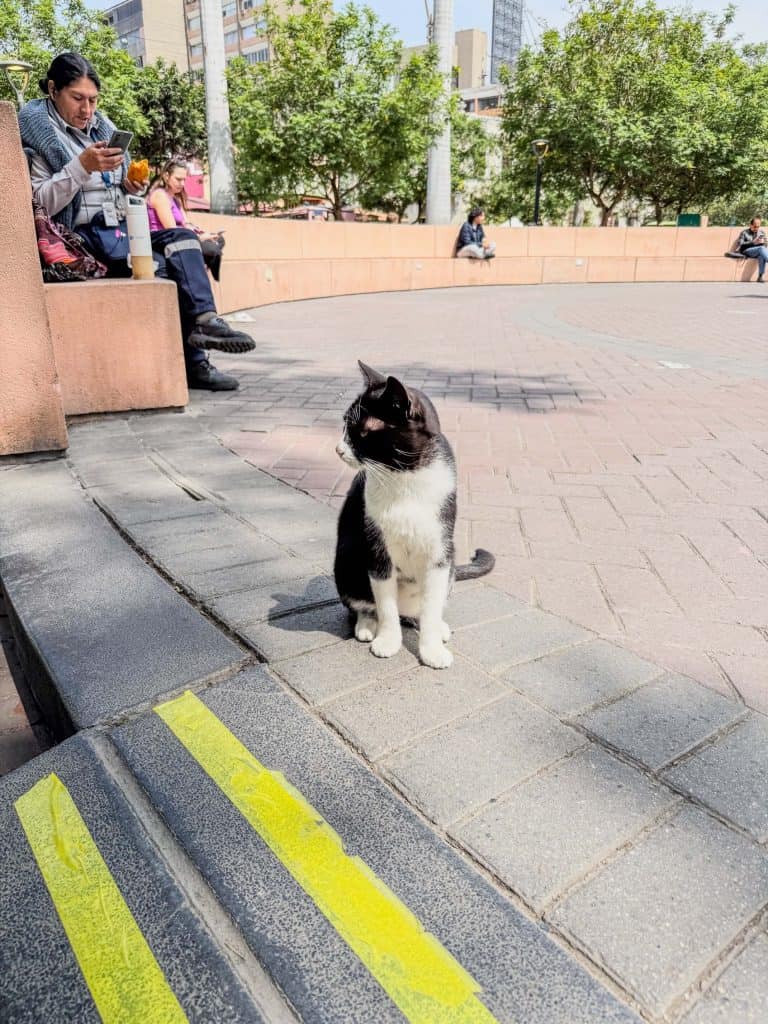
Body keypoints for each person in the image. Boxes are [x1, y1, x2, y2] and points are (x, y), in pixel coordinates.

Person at [19, 52, 252, 391]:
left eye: (93, 100)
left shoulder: (101, 132)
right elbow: (40, 203)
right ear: (53, 90)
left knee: (184, 239)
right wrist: (81, 165)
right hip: (80, 239)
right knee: (167, 269)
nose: (87, 110)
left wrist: (129, 186)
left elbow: (121, 199)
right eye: (78, 99)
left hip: (120, 231)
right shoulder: (40, 141)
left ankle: (206, 322)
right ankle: (197, 366)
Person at [147, 159, 225, 282]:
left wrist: (202, 233)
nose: (182, 184)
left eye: (184, 180)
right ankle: (205, 266)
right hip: (167, 240)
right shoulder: (160, 195)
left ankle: (204, 263)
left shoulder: (176, 200)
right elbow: (172, 231)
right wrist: (201, 238)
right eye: (178, 179)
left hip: (184, 236)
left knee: (219, 240)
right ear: (166, 176)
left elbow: (186, 223)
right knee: (212, 250)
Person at [728, 217, 767, 283]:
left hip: (759, 251)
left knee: (761, 255)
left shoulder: (761, 232)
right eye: (755, 227)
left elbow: (766, 245)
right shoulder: (744, 232)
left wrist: (763, 242)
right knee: (761, 249)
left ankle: (760, 277)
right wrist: (753, 242)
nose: (756, 228)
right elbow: (740, 243)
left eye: (758, 227)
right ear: (750, 225)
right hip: (747, 251)